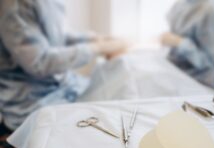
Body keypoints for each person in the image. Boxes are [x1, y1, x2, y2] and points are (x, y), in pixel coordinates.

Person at [0, 0, 127, 131]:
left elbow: (57, 36)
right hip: (33, 102)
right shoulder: (15, 7)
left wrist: (94, 38)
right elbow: (40, 62)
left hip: (62, 86)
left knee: (117, 101)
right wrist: (98, 48)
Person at [161, 0, 214, 90]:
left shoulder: (209, 11)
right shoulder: (180, 4)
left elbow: (207, 61)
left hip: (199, 82)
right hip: (177, 75)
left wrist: (180, 43)